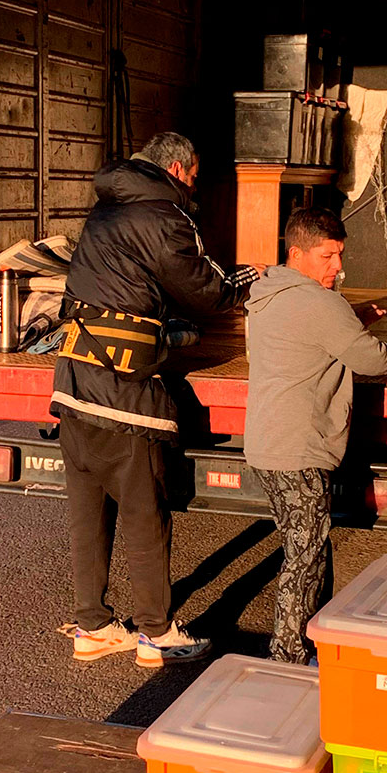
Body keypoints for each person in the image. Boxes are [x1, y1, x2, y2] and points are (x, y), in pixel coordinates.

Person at [51, 131, 259, 668]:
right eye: (195, 176)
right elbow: (208, 290)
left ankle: (93, 627)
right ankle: (157, 633)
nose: (195, 187)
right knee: (146, 517)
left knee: (88, 517)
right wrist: (249, 279)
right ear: (177, 168)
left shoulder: (106, 209)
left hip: (73, 384)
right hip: (124, 395)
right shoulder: (166, 215)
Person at [243, 207, 387, 664]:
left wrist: (352, 316)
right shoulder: (319, 303)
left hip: (267, 442)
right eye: (327, 256)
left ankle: (311, 641)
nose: (338, 266)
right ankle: (287, 656)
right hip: (300, 448)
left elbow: (309, 334)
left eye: (340, 254)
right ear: (297, 253)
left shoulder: (267, 293)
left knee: (305, 545)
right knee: (304, 556)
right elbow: (372, 360)